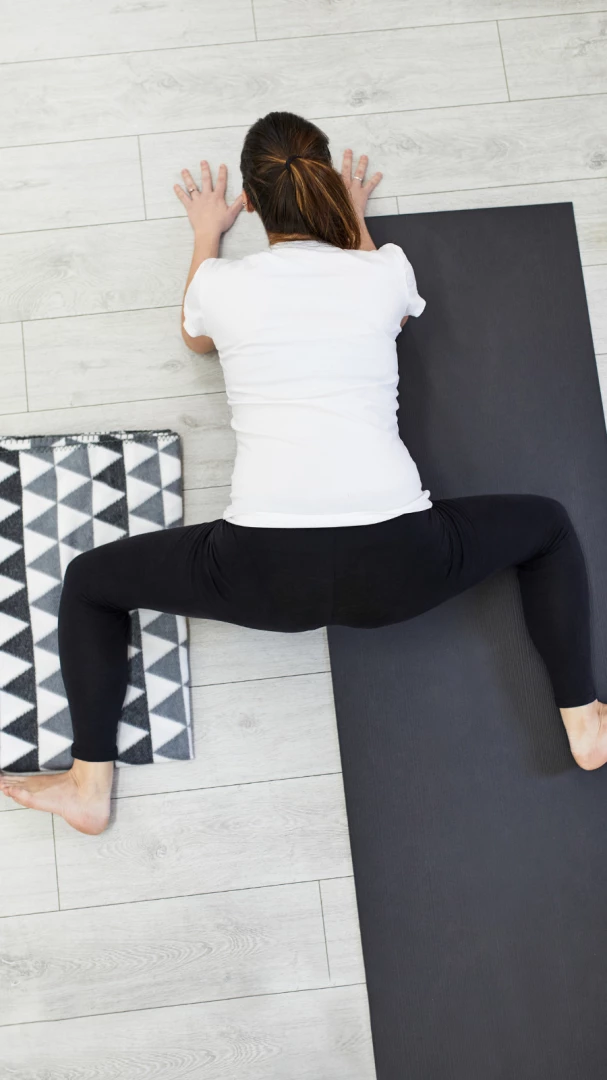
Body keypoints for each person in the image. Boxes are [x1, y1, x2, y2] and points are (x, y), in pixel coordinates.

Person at [1, 110, 605, 835]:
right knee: (543, 526)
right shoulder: (385, 269)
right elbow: (398, 315)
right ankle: (581, 720)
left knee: (93, 583)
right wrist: (353, 222)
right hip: (401, 567)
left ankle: (88, 786)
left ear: (249, 203)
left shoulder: (222, 283)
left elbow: (195, 339)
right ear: (326, 186)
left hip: (263, 577)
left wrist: (203, 232)